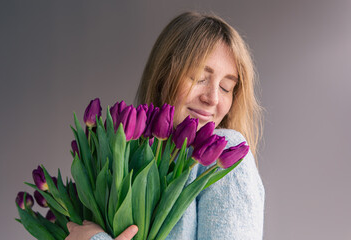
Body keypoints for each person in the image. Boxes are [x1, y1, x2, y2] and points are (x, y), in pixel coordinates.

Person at [66, 11, 264, 240]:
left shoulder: (224, 156)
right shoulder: (128, 164)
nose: (213, 99)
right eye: (200, 77)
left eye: (226, 88)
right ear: (163, 75)